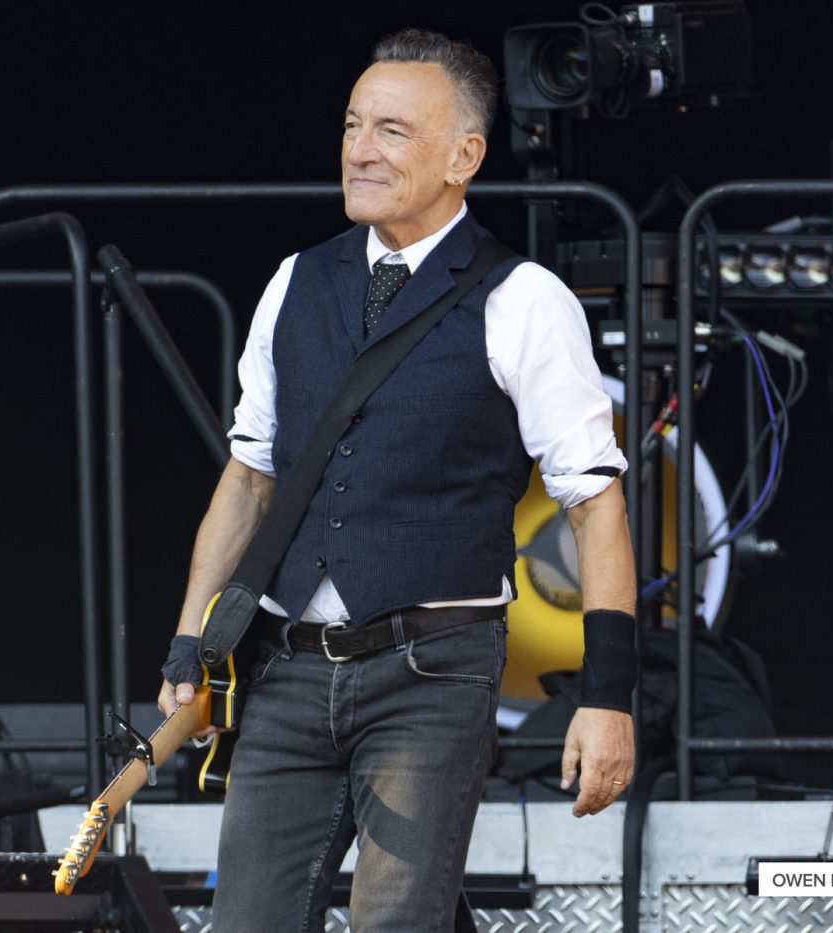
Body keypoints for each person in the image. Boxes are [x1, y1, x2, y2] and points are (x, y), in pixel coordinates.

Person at [158, 28, 638, 932]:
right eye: (350, 125)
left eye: (390, 130)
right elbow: (249, 476)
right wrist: (191, 639)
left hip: (433, 667)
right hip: (289, 668)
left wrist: (607, 698)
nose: (358, 149)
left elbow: (595, 500)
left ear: (465, 156)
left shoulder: (523, 298)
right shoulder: (294, 282)